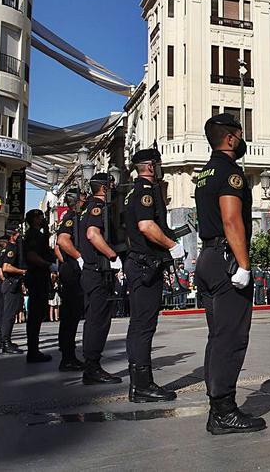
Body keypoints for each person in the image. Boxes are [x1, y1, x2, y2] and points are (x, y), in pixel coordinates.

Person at [194, 113, 266, 433]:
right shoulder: (230, 172)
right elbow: (231, 219)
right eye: (240, 132)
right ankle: (224, 410)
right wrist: (244, 265)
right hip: (226, 259)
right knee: (231, 337)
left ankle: (217, 409)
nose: (243, 138)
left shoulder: (204, 173)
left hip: (207, 256)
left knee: (217, 336)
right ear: (232, 138)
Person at [122, 148, 179, 402]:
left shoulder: (132, 192)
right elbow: (146, 226)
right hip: (146, 264)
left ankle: (139, 384)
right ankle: (142, 386)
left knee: (138, 326)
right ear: (148, 166)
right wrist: (171, 245)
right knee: (144, 326)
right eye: (157, 163)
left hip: (139, 263)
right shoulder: (145, 191)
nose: (160, 167)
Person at [77, 172, 122, 385]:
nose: (113, 187)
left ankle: (91, 365)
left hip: (91, 271)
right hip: (97, 272)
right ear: (104, 188)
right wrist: (112, 255)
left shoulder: (86, 207)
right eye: (111, 184)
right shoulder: (98, 207)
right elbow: (92, 234)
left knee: (94, 320)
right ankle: (92, 367)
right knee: (98, 321)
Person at [54, 188, 86, 372]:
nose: (84, 198)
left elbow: (58, 249)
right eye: (82, 196)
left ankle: (69, 355)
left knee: (71, 316)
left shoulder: (72, 216)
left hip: (69, 269)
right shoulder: (71, 217)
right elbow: (62, 242)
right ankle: (67, 357)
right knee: (70, 316)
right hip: (72, 272)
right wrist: (77, 258)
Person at [22, 209, 54, 363]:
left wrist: (47, 229)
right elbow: (32, 255)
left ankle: (34, 350)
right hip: (36, 276)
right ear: (34, 219)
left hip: (40, 276)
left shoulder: (38, 234)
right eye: (40, 216)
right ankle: (32, 351)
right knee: (35, 315)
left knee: (38, 314)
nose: (43, 219)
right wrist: (48, 264)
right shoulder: (33, 235)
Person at [0, 231, 26, 354]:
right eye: (18, 235)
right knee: (9, 315)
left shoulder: (6, 249)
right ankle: (6, 342)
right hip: (11, 284)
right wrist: (22, 271)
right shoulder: (12, 248)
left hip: (9, 284)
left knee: (8, 315)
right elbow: (6, 267)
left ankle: (5, 341)